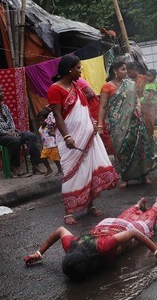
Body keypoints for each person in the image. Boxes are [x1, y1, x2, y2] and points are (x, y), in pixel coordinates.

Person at [47, 54, 119, 224]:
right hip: (71, 139)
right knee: (72, 173)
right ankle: (69, 212)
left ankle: (90, 205)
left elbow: (84, 109)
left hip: (88, 136)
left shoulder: (76, 87)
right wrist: (67, 137)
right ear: (69, 69)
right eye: (78, 68)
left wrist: (92, 124)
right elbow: (58, 116)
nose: (80, 71)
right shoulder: (54, 89)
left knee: (90, 171)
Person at [24, 197, 157, 280]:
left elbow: (133, 233)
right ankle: (138, 205)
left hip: (122, 230)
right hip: (106, 225)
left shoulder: (102, 246)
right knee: (124, 217)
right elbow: (60, 230)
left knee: (148, 223)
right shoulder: (71, 246)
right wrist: (38, 254)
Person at [98, 60, 157, 188]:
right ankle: (125, 178)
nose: (126, 72)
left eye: (126, 69)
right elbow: (103, 107)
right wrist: (100, 125)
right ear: (115, 71)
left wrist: (138, 105)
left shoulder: (130, 84)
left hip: (134, 120)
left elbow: (136, 98)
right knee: (122, 150)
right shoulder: (107, 87)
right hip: (117, 124)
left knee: (140, 147)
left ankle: (144, 175)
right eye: (123, 69)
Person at [0, 82, 46, 177]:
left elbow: (11, 122)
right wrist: (8, 133)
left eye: (2, 91)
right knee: (15, 141)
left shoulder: (4, 107)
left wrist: (12, 131)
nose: (2, 93)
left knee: (31, 136)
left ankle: (35, 165)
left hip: (10, 133)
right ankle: (14, 167)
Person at [37, 108, 62, 176]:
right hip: (45, 147)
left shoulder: (49, 126)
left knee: (56, 159)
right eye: (39, 121)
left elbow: (56, 133)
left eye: (42, 120)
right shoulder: (40, 129)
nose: (41, 122)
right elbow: (42, 138)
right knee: (43, 157)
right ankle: (49, 169)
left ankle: (60, 170)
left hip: (53, 145)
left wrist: (52, 134)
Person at [140, 69, 157, 136]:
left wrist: (141, 100)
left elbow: (149, 97)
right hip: (151, 105)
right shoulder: (153, 83)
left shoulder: (151, 86)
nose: (147, 77)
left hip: (148, 106)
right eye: (146, 75)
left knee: (149, 123)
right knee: (150, 123)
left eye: (149, 76)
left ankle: (151, 137)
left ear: (154, 77)